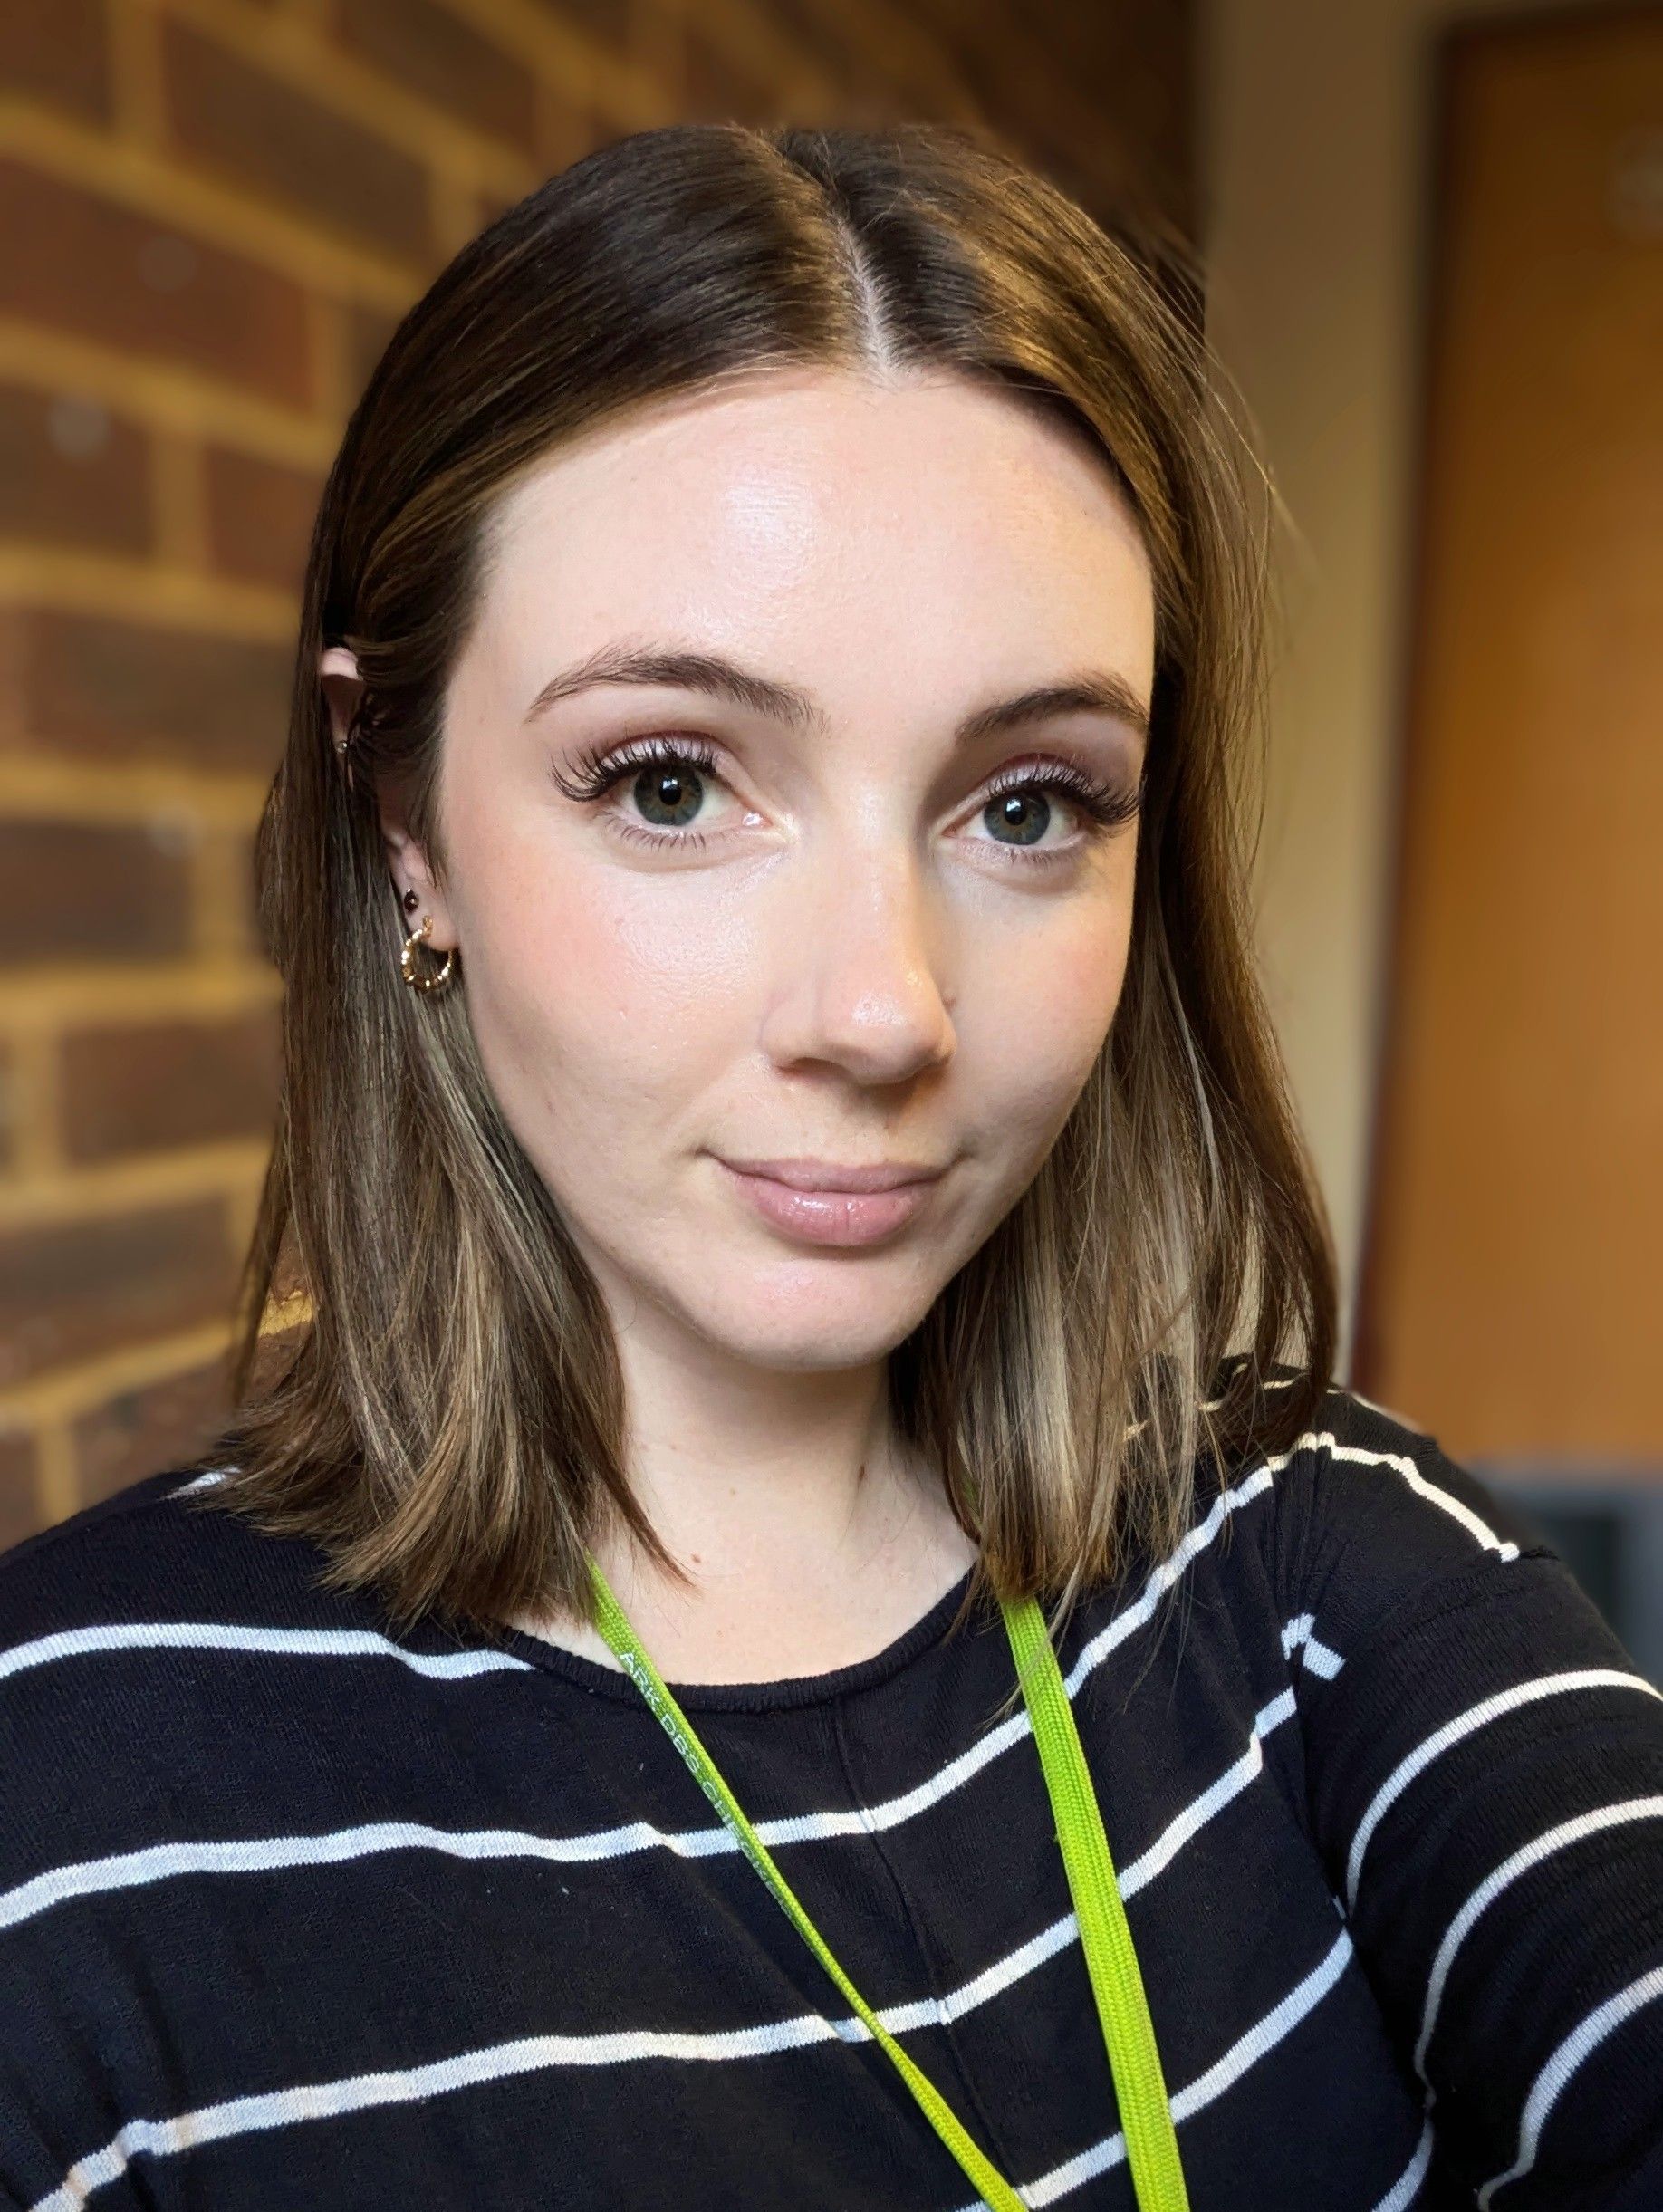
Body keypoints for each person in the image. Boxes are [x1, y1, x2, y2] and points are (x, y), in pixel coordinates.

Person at [1, 119, 1658, 2212]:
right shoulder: (60, 1806)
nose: (887, 1011)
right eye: (670, 783)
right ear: (402, 821)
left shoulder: (1316, 1559)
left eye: (1032, 805)